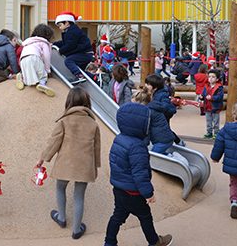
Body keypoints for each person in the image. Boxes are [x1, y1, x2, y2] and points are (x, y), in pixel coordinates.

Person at [104, 102, 173, 246]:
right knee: (145, 216)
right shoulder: (137, 146)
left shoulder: (119, 138)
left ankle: (109, 242)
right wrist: (148, 193)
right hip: (133, 192)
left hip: (119, 188)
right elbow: (140, 173)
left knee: (117, 216)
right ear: (139, 125)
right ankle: (154, 241)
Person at [37, 87, 100, 240]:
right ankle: (77, 230)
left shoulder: (64, 121)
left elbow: (53, 142)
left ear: (69, 102)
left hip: (65, 163)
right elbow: (96, 148)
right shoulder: (93, 124)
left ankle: (61, 218)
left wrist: (42, 159)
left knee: (60, 188)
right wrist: (95, 166)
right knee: (79, 196)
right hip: (85, 165)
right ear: (87, 102)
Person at [53, 11, 93, 84]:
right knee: (79, 69)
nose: (59, 27)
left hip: (84, 53)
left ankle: (80, 76)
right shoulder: (70, 31)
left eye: (60, 25)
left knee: (68, 61)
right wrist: (54, 44)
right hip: (86, 53)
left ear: (67, 23)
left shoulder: (73, 32)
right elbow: (65, 42)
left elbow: (70, 45)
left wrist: (61, 51)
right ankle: (93, 77)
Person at [145, 74, 184, 147]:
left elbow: (164, 106)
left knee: (165, 130)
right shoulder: (154, 92)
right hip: (159, 114)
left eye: (148, 84)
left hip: (165, 114)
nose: (146, 85)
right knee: (164, 130)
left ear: (155, 86)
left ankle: (178, 141)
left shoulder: (162, 94)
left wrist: (152, 105)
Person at [133, 87, 175, 155]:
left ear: (142, 103)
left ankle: (172, 157)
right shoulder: (152, 107)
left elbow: (146, 130)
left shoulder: (147, 113)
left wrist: (144, 144)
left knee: (153, 155)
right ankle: (169, 155)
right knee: (159, 154)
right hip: (165, 138)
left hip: (162, 140)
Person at [16, 23, 55, 97]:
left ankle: (21, 77)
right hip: (34, 57)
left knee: (28, 73)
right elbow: (46, 56)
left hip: (23, 59)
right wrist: (47, 70)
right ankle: (42, 84)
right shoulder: (43, 42)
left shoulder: (28, 42)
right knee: (42, 74)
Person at [200, 69, 224, 139]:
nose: (210, 78)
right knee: (208, 121)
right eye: (209, 76)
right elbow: (204, 94)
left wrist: (212, 98)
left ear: (217, 79)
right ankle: (209, 132)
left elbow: (220, 97)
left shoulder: (219, 87)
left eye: (213, 77)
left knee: (216, 121)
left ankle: (216, 133)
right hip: (207, 106)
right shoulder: (206, 86)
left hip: (215, 107)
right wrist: (202, 97)